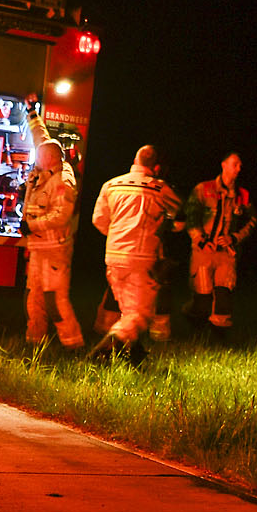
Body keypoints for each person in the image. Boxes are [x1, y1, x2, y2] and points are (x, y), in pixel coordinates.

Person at [89, 144, 181, 364]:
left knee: (126, 309)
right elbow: (179, 220)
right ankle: (102, 352)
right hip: (141, 259)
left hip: (113, 257)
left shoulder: (111, 185)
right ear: (156, 166)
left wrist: (117, 237)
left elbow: (98, 220)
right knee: (139, 315)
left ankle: (133, 356)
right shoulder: (160, 188)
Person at [20, 97, 84, 347]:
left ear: (50, 159)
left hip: (54, 250)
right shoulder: (47, 168)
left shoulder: (62, 182)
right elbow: (41, 138)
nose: (35, 160)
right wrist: (32, 113)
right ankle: (35, 342)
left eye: (40, 157)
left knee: (54, 300)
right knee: (33, 298)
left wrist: (32, 226)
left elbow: (61, 216)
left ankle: (73, 345)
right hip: (38, 248)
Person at [182, 152, 256, 336]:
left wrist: (235, 237)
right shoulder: (203, 189)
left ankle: (220, 338)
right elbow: (191, 216)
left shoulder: (242, 195)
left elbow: (252, 220)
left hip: (227, 253)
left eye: (240, 165)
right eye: (235, 164)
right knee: (203, 295)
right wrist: (200, 240)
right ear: (223, 165)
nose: (239, 169)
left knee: (224, 293)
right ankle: (194, 325)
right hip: (204, 251)